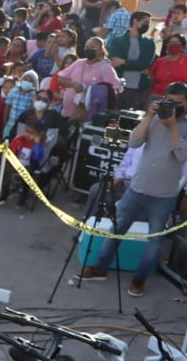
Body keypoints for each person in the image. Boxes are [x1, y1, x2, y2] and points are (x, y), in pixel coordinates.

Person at [72, 81, 187, 297]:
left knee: (155, 240)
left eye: (177, 103)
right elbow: (133, 142)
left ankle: (139, 279)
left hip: (164, 196)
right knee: (117, 228)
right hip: (136, 188)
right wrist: (150, 117)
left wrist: (172, 126)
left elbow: (182, 155)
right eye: (168, 101)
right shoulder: (154, 119)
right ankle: (100, 268)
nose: (172, 106)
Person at [108, 11, 156, 110]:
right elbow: (114, 62)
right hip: (118, 86)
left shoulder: (149, 43)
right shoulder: (117, 41)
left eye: (148, 23)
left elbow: (145, 64)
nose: (147, 26)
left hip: (138, 89)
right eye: (145, 22)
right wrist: (135, 65)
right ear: (135, 21)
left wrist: (124, 62)